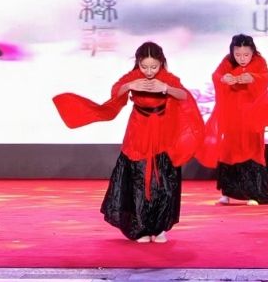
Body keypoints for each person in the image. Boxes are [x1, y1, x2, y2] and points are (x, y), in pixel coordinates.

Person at [54, 41, 204, 241]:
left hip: (163, 132)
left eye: (153, 67)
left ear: (161, 63)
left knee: (163, 181)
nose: (149, 71)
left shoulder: (167, 78)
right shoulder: (133, 77)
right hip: (138, 131)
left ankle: (159, 228)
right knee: (138, 180)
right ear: (138, 63)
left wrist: (166, 88)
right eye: (144, 66)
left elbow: (184, 95)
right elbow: (116, 92)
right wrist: (129, 86)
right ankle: (140, 227)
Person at [199, 34, 268, 206]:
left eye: (246, 54)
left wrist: (253, 78)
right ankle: (228, 192)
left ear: (252, 51)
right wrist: (223, 79)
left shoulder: (259, 62)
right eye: (238, 54)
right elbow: (217, 75)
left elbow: (265, 78)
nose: (242, 58)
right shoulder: (227, 61)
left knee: (252, 149)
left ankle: (255, 193)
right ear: (232, 52)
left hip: (252, 112)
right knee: (230, 150)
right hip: (232, 112)